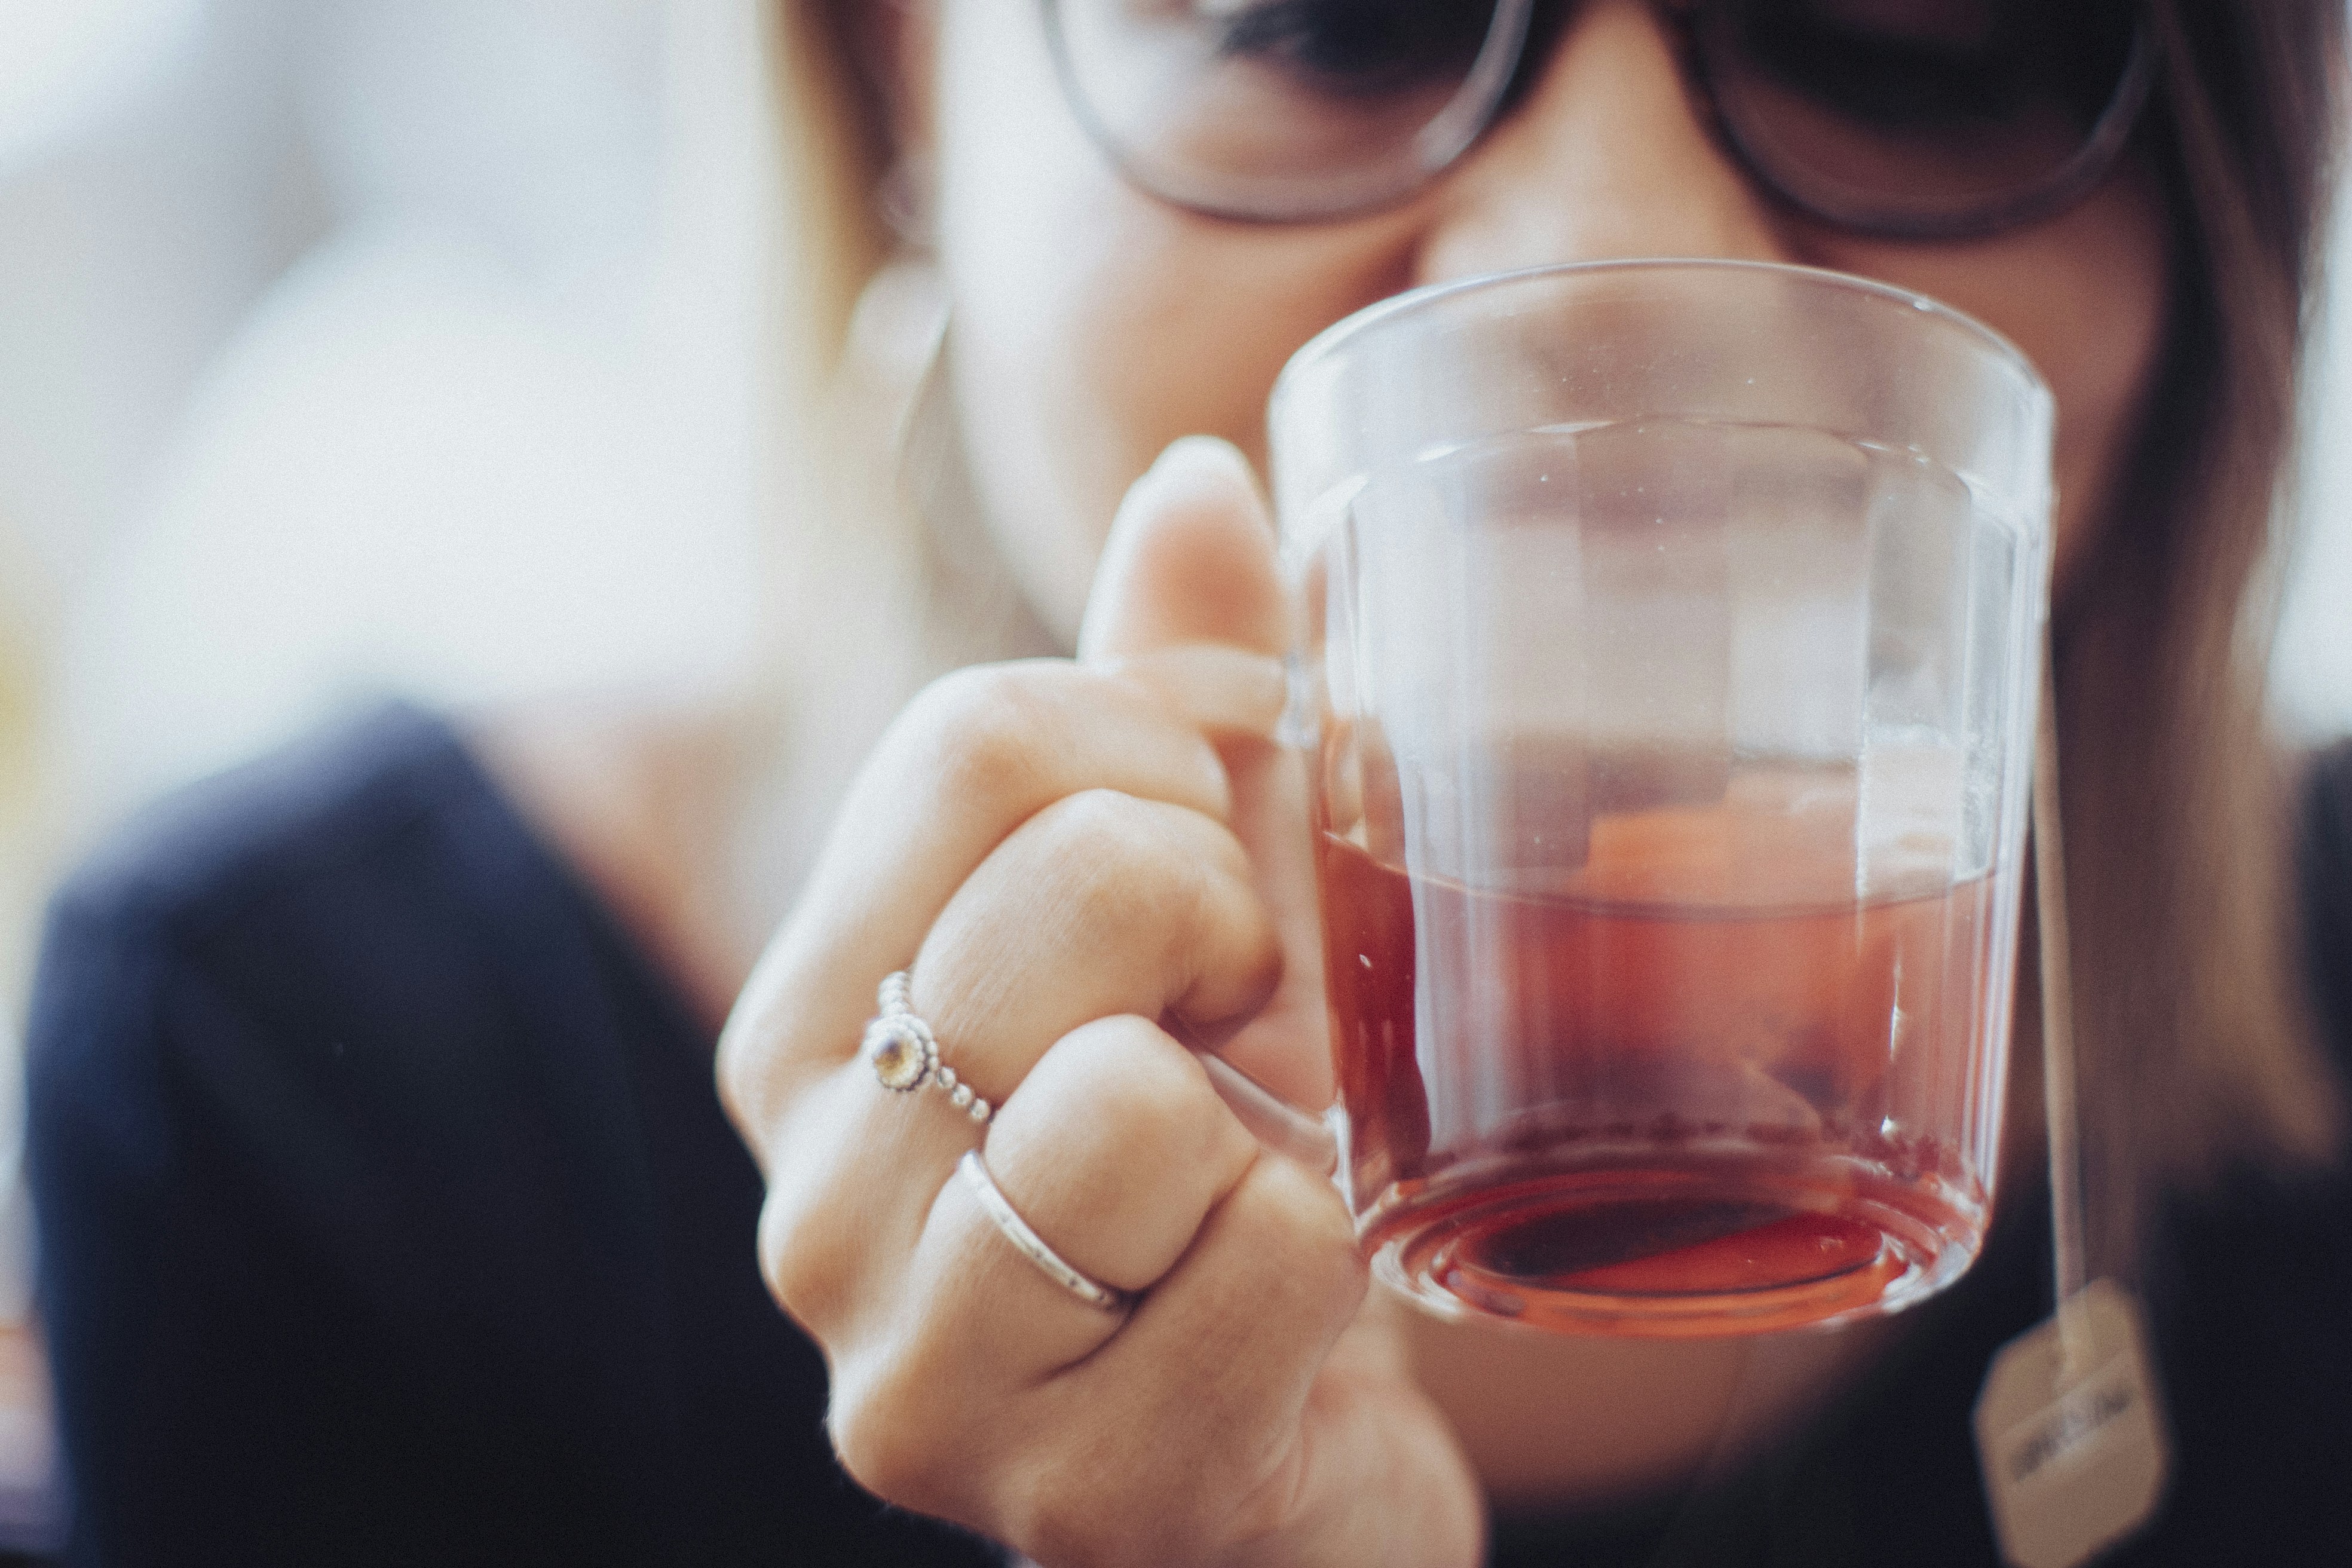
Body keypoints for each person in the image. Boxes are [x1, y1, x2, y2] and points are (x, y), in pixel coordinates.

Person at [24, 1, 2352, 1563]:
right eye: (1331, 4)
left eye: (1920, 30)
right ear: (901, 81)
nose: (1625, 265)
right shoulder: (290, 1103)